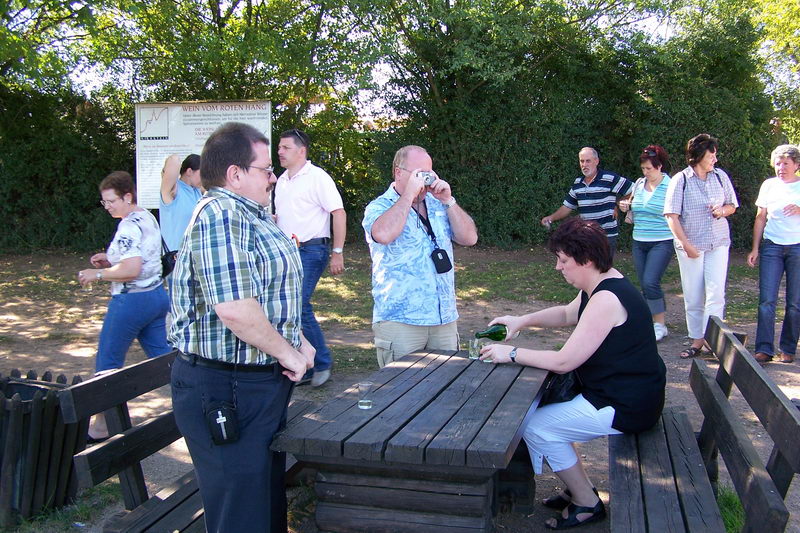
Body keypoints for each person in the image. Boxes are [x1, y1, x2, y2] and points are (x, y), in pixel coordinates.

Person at [168, 122, 314, 533]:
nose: (273, 176)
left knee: (262, 503)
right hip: (226, 389)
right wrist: (289, 353)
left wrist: (298, 339)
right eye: (265, 169)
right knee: (241, 514)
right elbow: (234, 308)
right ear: (235, 173)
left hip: (254, 385)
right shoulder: (220, 213)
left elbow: (266, 294)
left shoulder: (250, 215)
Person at [479, 217, 666, 530]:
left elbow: (564, 361)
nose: (558, 267)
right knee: (542, 415)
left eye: (563, 261)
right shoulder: (603, 282)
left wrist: (510, 353)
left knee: (536, 426)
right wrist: (521, 320)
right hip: (621, 393)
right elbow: (567, 313)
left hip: (628, 405)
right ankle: (577, 485)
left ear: (587, 260)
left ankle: (587, 502)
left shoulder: (606, 299)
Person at [362, 145, 478, 368]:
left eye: (428, 174)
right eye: (418, 174)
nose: (424, 180)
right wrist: (408, 195)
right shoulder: (379, 207)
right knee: (401, 394)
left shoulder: (438, 204)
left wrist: (449, 200)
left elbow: (469, 237)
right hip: (401, 320)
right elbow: (383, 234)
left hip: (443, 318)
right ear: (398, 172)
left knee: (444, 389)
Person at [78, 171, 171, 441]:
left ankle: (101, 427)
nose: (107, 207)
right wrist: (109, 259)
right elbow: (142, 257)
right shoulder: (147, 217)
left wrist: (97, 274)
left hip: (131, 302)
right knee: (167, 360)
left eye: (111, 201)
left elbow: (131, 269)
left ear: (127, 196)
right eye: (104, 202)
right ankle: (199, 402)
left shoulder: (129, 225)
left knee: (108, 361)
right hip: (156, 297)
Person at [274, 128, 345, 387]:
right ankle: (305, 363)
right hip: (287, 251)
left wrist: (337, 252)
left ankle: (322, 363)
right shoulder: (282, 180)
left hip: (312, 250)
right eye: (279, 147)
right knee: (287, 307)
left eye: (285, 148)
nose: (280, 151)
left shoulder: (318, 178)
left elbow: (339, 212)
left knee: (298, 305)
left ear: (301, 151)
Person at [664, 134, 738, 359]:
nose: (715, 158)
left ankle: (713, 341)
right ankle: (696, 339)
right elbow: (671, 216)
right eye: (711, 154)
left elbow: (732, 205)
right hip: (691, 245)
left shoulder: (720, 176)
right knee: (694, 295)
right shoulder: (681, 179)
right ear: (698, 156)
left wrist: (722, 210)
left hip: (718, 242)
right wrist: (686, 245)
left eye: (715, 153)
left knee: (716, 293)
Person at [746, 144, 800, 364]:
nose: (781, 167)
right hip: (772, 247)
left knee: (795, 303)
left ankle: (787, 348)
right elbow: (760, 217)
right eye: (778, 163)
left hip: (797, 247)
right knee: (767, 300)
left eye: (786, 163)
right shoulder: (769, 185)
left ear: (796, 165)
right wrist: (755, 248)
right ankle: (764, 349)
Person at [617, 145, 674, 341]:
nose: (645, 172)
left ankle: (659, 324)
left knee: (651, 281)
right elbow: (631, 205)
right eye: (643, 168)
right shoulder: (639, 184)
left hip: (662, 240)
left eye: (649, 168)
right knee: (645, 284)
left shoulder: (671, 185)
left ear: (659, 167)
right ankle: (650, 321)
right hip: (639, 240)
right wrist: (624, 206)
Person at [541, 147, 633, 256]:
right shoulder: (577, 183)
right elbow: (567, 207)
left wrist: (617, 203)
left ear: (596, 161)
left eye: (588, 161)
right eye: (582, 161)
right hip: (587, 236)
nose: (584, 165)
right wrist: (551, 218)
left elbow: (635, 189)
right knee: (586, 269)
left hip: (606, 236)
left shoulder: (609, 178)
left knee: (603, 271)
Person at [159, 153, 202, 252]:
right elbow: (174, 160)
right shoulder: (173, 190)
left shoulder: (198, 191)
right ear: (189, 171)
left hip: (194, 258)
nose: (204, 177)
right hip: (176, 259)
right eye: (202, 173)